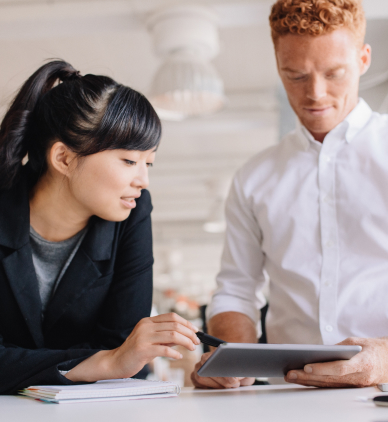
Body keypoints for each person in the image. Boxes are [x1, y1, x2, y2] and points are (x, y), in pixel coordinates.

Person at [192, 0, 388, 389]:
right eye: (295, 75)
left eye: (334, 73)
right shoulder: (254, 177)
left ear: (364, 59)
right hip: (289, 395)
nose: (315, 94)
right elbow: (236, 289)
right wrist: (230, 358)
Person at [0, 60, 200, 395]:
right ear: (63, 158)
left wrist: (117, 358)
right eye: (128, 161)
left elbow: (127, 350)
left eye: (148, 162)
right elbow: (118, 359)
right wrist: (103, 363)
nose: (143, 180)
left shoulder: (133, 213)